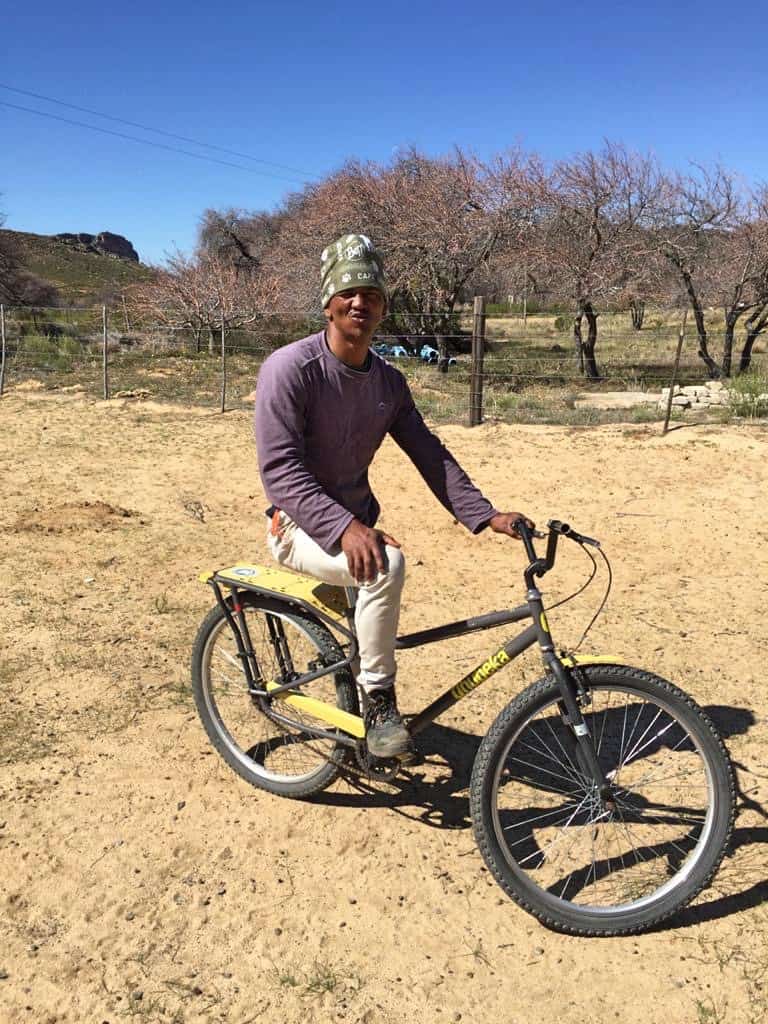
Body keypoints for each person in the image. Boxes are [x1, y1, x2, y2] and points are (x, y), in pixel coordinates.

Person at [254, 233, 533, 759]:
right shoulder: (289, 370)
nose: (361, 302)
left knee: (375, 566)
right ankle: (380, 704)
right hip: (296, 525)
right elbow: (280, 472)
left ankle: (360, 681)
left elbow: (429, 452)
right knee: (385, 565)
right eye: (349, 292)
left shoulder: (388, 381)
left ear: (384, 306)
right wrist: (344, 528)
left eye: (373, 294)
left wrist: (485, 515)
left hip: (353, 524)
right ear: (328, 303)